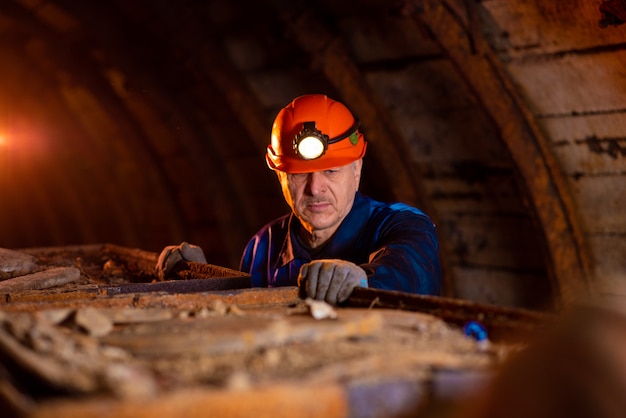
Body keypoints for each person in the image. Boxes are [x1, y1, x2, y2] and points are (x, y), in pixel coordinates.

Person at [157, 94, 441, 304]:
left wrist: (363, 279)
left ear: (357, 170)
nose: (315, 188)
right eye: (298, 174)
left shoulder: (402, 224)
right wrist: (200, 278)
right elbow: (244, 318)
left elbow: (411, 269)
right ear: (280, 177)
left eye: (331, 171)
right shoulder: (263, 246)